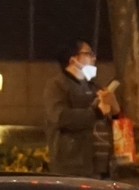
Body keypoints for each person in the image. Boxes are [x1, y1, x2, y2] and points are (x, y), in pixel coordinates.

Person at [43, 42, 116, 175]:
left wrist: (113, 105)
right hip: (73, 166)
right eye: (88, 54)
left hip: (101, 166)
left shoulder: (94, 86)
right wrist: (96, 112)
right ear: (73, 60)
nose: (94, 58)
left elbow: (110, 118)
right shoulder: (56, 86)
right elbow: (61, 118)